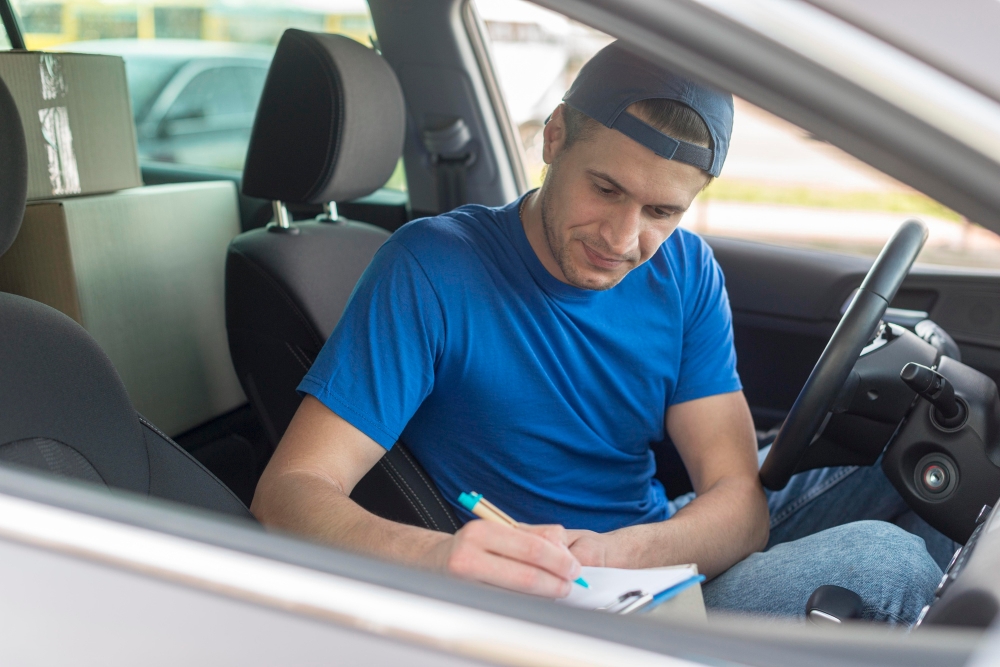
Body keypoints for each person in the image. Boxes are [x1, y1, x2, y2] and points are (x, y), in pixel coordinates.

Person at [250, 42, 946, 624]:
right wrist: (439, 558)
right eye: (606, 189)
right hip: (566, 603)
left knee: (927, 460)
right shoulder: (430, 268)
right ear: (554, 139)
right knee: (888, 565)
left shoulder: (685, 271)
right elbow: (289, 490)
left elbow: (738, 504)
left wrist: (622, 551)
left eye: (662, 210)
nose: (623, 238)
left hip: (642, 556)